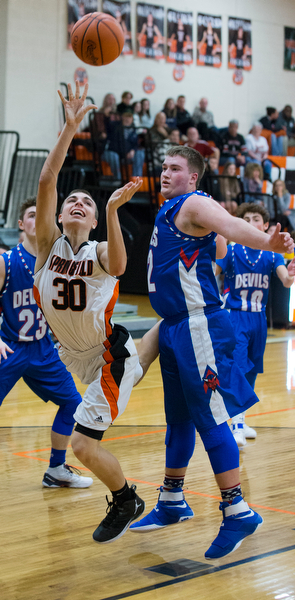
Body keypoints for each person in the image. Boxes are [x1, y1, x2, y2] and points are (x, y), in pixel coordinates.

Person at [129, 144, 293, 560]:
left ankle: (238, 510)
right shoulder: (171, 210)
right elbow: (217, 247)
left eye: (175, 168)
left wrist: (267, 241)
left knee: (212, 418)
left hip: (199, 324)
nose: (165, 174)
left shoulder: (196, 203)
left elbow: (230, 225)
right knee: (178, 417)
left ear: (193, 177)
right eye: (164, 167)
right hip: (173, 327)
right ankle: (171, 501)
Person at [34, 82, 146, 544]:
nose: (77, 202)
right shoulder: (47, 247)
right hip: (70, 355)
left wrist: (117, 210)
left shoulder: (100, 250)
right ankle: (164, 339)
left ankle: (126, 498)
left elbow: (120, 266)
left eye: (87, 202)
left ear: (95, 220)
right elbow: (47, 180)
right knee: (80, 419)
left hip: (106, 357)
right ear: (59, 217)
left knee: (82, 443)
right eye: (70, 202)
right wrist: (71, 127)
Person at [0, 197, 93, 489]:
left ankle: (56, 469)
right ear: (21, 225)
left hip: (42, 348)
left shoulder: (59, 261)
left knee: (73, 404)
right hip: (9, 345)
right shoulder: (6, 261)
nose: (37, 219)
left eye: (42, 215)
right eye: (31, 215)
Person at [216, 203, 295, 446]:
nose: (251, 223)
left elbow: (286, 281)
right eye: (246, 220)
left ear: (266, 226)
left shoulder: (272, 255)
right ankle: (236, 423)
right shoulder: (231, 251)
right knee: (238, 368)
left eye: (256, 219)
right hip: (236, 316)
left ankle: (241, 417)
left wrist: (291, 274)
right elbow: (211, 273)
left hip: (259, 320)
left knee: (251, 371)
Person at [102, 112, 145, 180]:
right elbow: (108, 126)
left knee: (140, 154)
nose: (127, 119)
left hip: (128, 154)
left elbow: (136, 144)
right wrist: (107, 117)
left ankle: (136, 179)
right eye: (126, 117)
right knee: (114, 156)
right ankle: (118, 179)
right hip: (114, 152)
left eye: (129, 117)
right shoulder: (115, 127)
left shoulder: (133, 129)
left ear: (132, 119)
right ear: (122, 118)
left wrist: (133, 150)